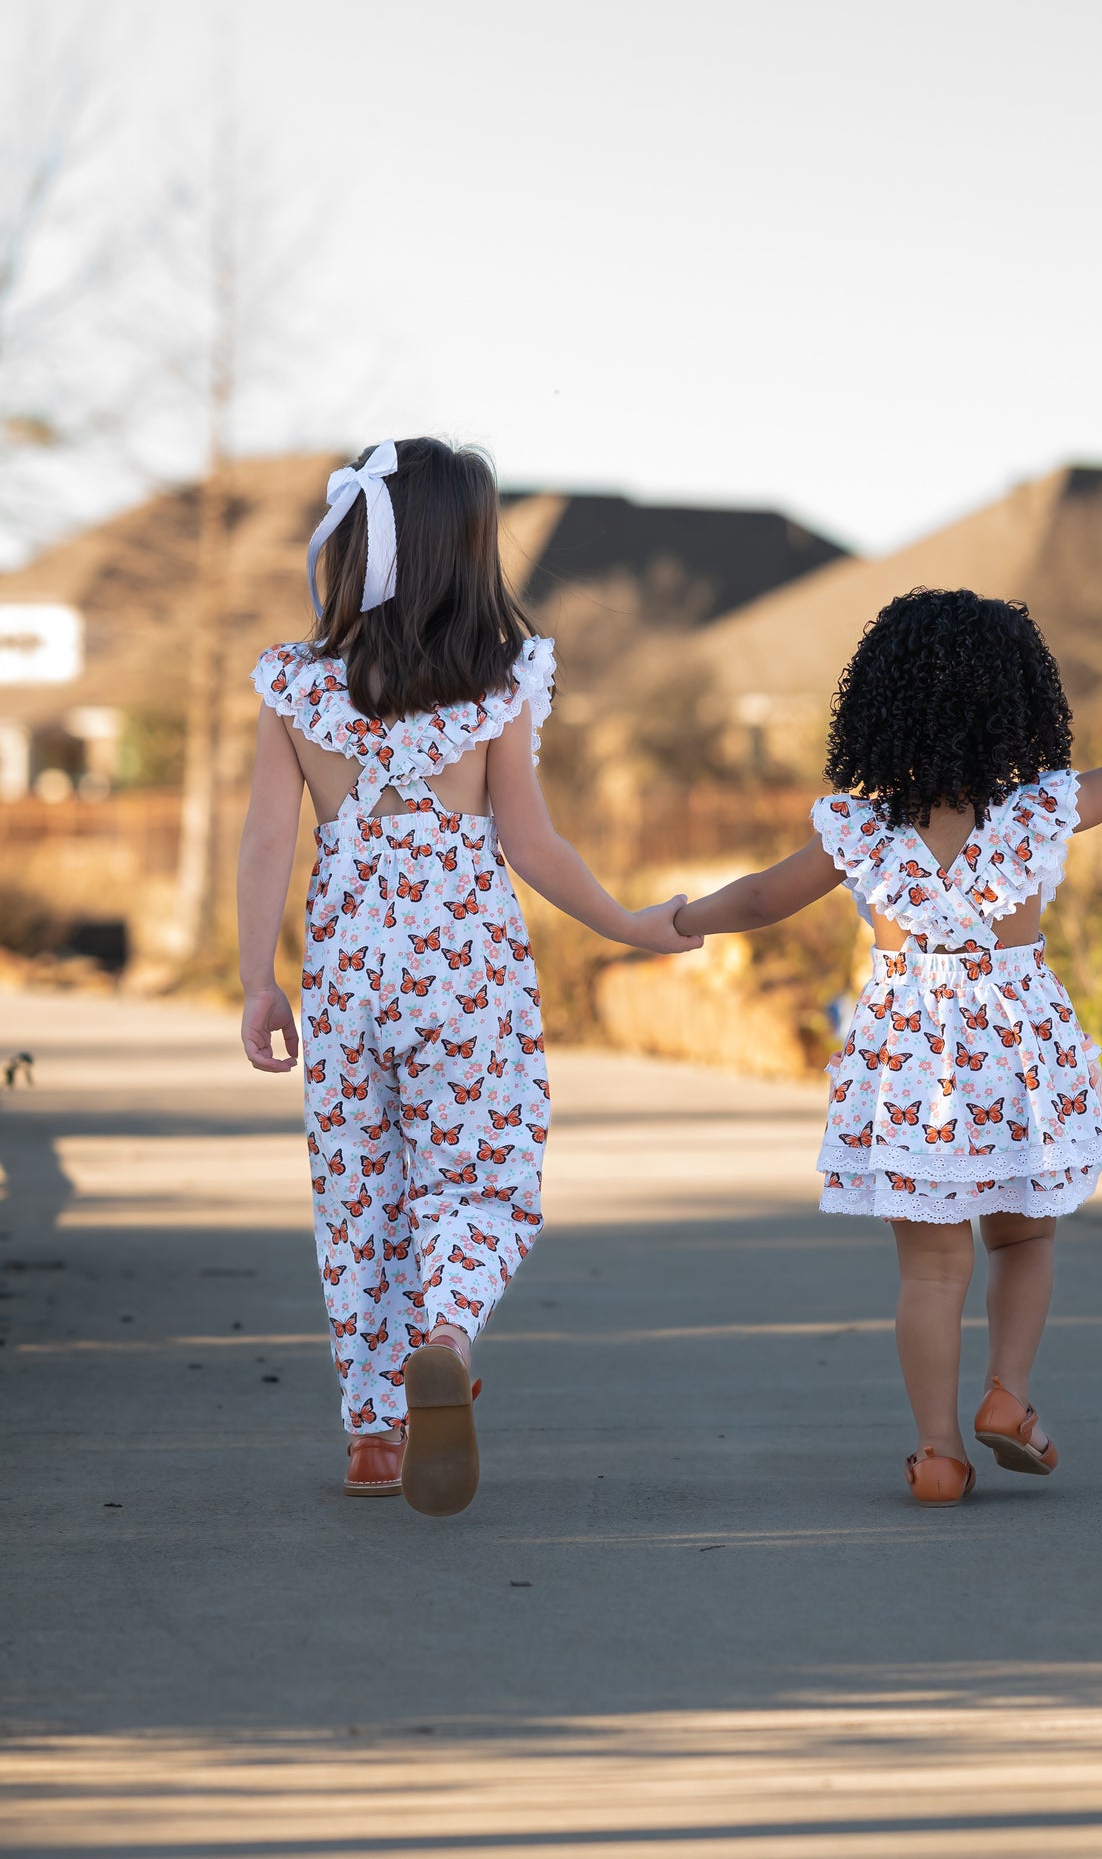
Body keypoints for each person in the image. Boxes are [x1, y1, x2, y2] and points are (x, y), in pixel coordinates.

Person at [237, 438, 698, 1515]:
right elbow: (533, 848)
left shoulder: (297, 686)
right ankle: (444, 1329)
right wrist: (630, 923)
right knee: (481, 1176)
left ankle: (371, 1433)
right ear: (468, 553)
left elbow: (267, 839)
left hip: (350, 969)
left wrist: (259, 979)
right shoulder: (496, 686)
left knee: (358, 1191)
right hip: (465, 972)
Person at [677, 588, 1102, 1504]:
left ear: (878, 703)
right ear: (1023, 702)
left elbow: (756, 899)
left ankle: (938, 1452)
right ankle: (1008, 1398)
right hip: (1015, 1047)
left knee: (932, 1268)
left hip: (910, 1053)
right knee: (1022, 1238)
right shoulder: (1041, 811)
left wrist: (677, 918)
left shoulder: (860, 828)